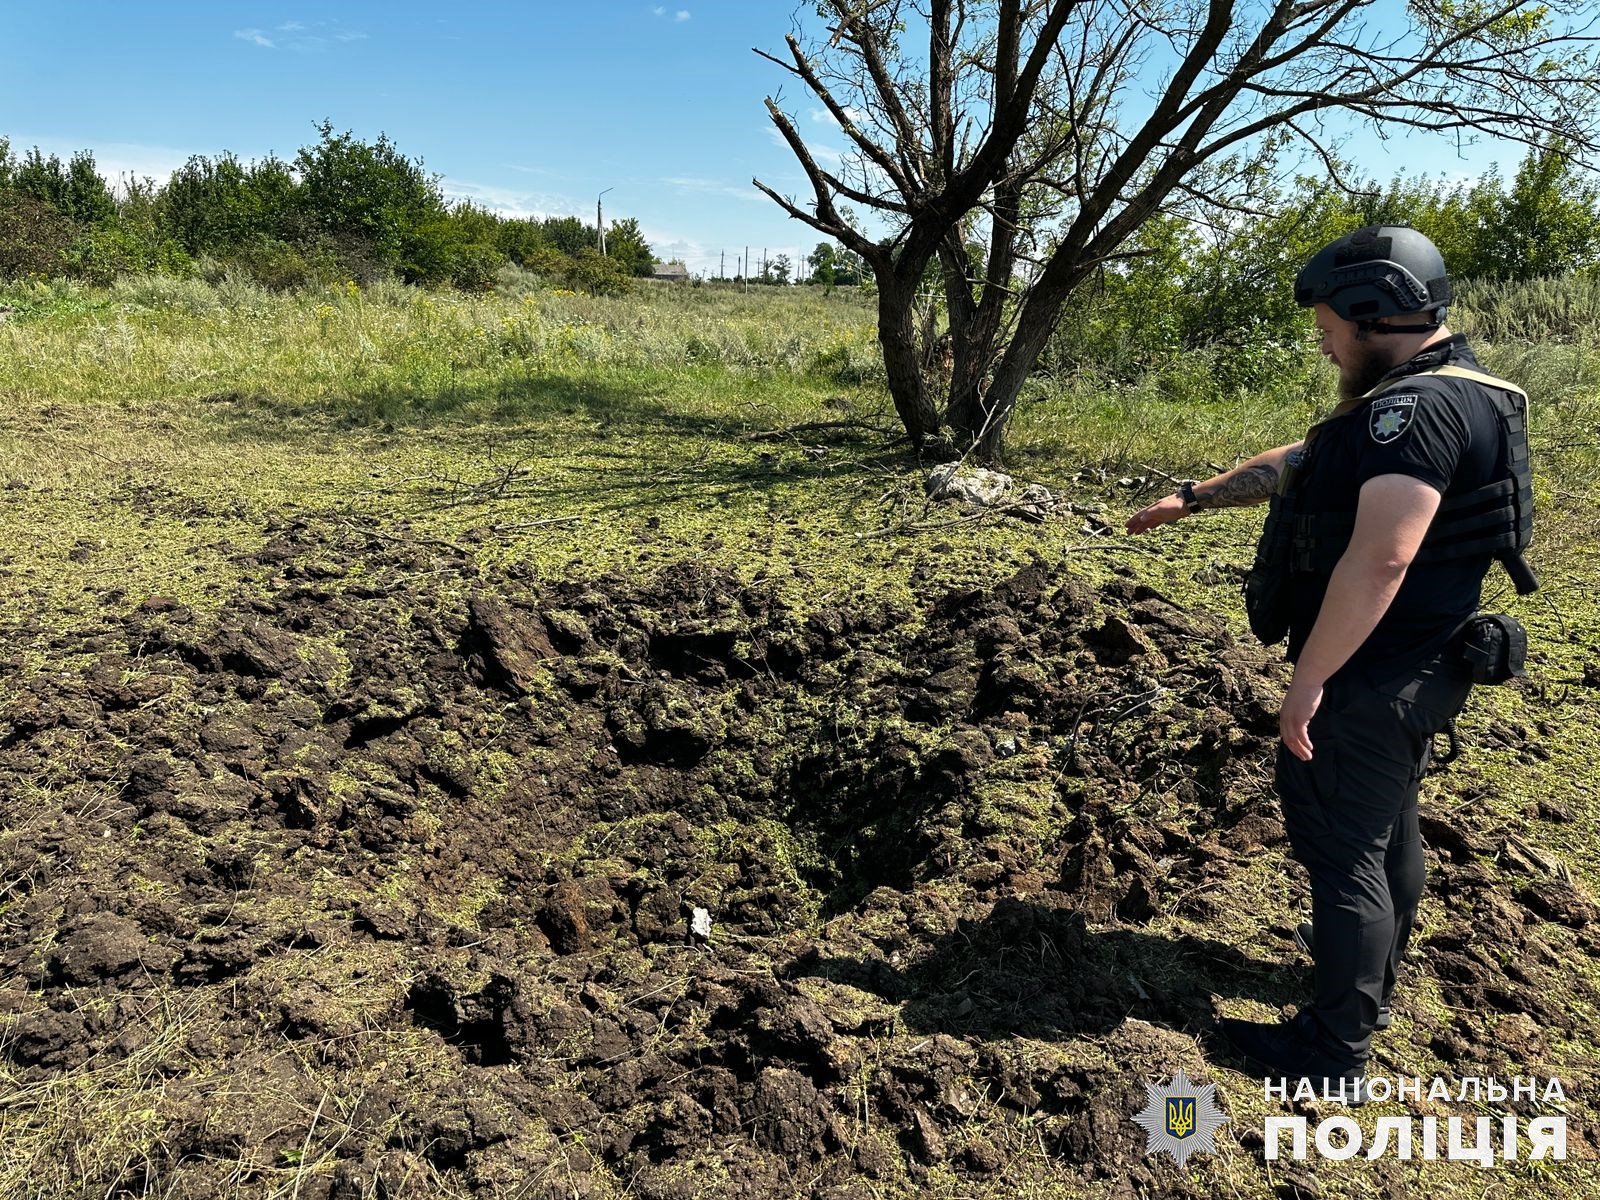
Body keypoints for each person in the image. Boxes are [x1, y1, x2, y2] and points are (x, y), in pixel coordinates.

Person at [1125, 225, 1535, 1097]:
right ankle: (1370, 988)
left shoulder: (1414, 411)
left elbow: (1382, 554)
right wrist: (1192, 498)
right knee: (1387, 832)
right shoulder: (1440, 394)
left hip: (1372, 671)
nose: (1321, 340)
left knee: (1343, 848)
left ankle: (1333, 1053)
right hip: (1420, 665)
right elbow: (1307, 462)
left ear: (1369, 309)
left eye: (1327, 323)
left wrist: (1308, 681)